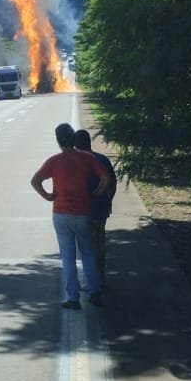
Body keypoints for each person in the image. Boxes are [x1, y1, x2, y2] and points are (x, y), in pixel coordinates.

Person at [30, 122, 111, 309]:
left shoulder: (54, 161)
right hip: (83, 212)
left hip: (61, 213)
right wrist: (97, 193)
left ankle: (73, 298)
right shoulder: (86, 158)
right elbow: (105, 178)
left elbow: (35, 181)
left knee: (67, 257)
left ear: (58, 141)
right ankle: (94, 292)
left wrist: (47, 196)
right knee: (88, 254)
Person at [73, 128, 117, 289]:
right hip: (100, 210)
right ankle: (101, 279)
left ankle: (90, 281)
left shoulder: (76, 161)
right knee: (99, 244)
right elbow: (112, 183)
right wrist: (108, 199)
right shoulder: (102, 159)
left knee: (85, 247)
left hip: (81, 211)